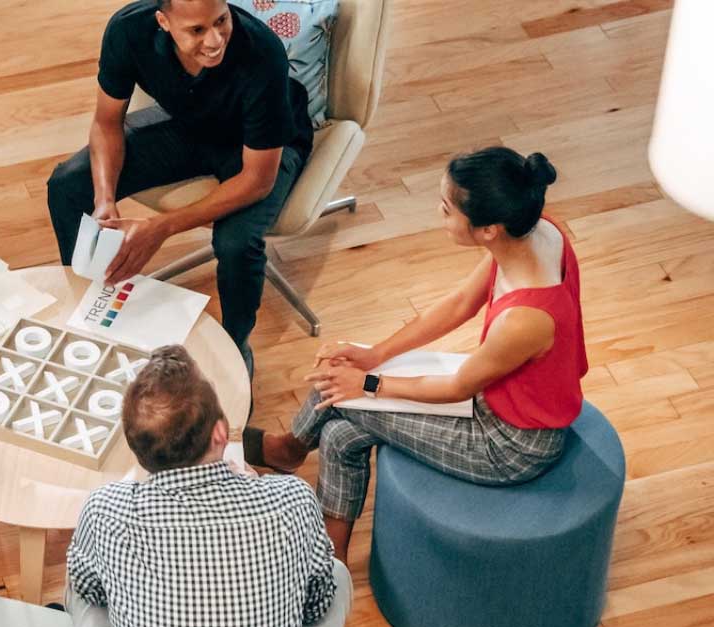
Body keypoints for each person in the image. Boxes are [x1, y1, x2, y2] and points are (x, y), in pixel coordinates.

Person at [243, 147, 586, 561]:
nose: (438, 214)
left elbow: (459, 387)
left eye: (446, 209)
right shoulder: (536, 233)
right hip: (494, 396)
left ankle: (292, 458)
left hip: (509, 444)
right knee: (339, 430)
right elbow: (460, 303)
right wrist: (376, 355)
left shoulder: (528, 318)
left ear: (489, 229)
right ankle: (330, 557)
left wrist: (368, 383)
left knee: (339, 393)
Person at [46, 0, 314, 375]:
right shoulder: (128, 30)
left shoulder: (262, 51)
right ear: (163, 22)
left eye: (222, 21)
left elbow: (257, 180)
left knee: (237, 244)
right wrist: (104, 200)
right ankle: (90, 308)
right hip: (190, 125)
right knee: (66, 185)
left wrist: (162, 228)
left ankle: (236, 349)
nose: (215, 39)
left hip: (261, 147)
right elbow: (107, 122)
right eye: (197, 31)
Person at [66, 345, 337, 627]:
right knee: (338, 576)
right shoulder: (293, 499)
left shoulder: (104, 511)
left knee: (80, 586)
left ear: (136, 448)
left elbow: (89, 587)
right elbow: (316, 602)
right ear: (221, 433)